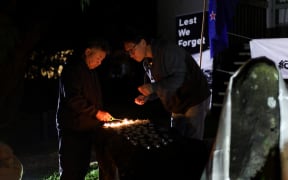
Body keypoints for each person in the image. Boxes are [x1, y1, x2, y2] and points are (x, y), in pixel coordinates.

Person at [122, 28, 211, 140]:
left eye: (131, 50)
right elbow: (163, 85)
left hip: (194, 98)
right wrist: (149, 95)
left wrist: (153, 88)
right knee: (176, 138)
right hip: (177, 103)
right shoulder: (147, 62)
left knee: (192, 142)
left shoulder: (167, 50)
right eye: (128, 52)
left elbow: (179, 79)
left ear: (143, 43)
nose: (130, 55)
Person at [56, 37, 114, 180]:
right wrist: (96, 113)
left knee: (81, 169)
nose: (99, 62)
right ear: (88, 52)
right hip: (72, 129)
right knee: (71, 171)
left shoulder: (91, 71)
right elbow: (73, 99)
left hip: (86, 129)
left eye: (102, 59)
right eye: (98, 57)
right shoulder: (72, 69)